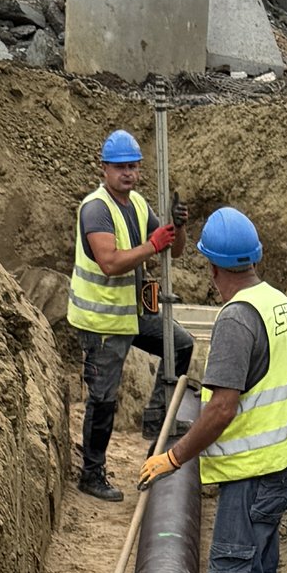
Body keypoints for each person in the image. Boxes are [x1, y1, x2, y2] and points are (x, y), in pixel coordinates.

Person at [137, 204, 287, 573]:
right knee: (257, 556)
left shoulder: (237, 318)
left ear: (213, 268)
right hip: (283, 459)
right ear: (254, 258)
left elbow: (223, 408)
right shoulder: (279, 303)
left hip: (257, 466)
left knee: (237, 564)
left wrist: (173, 456)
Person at [67, 130, 191, 500]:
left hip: (132, 314)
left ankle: (156, 419)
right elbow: (109, 263)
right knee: (103, 398)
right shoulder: (96, 208)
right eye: (121, 167)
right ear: (104, 168)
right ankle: (92, 473)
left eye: (134, 167)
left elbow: (175, 251)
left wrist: (178, 227)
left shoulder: (137, 204)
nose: (129, 174)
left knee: (180, 346)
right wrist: (150, 246)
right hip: (102, 320)